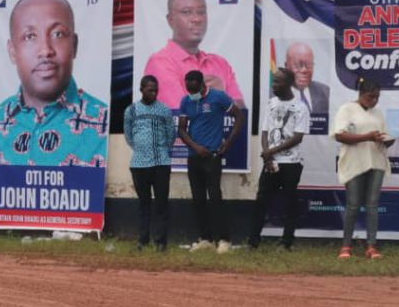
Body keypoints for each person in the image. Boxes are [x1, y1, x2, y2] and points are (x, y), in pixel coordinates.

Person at [0, 0, 109, 167]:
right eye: (30, 36)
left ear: (75, 45)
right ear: (12, 51)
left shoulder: (105, 124)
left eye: (58, 34)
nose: (45, 50)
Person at [178, 69, 244, 254]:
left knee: (215, 197)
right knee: (198, 199)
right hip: (194, 157)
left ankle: (224, 240)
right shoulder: (186, 101)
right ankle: (205, 239)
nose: (191, 93)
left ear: (202, 84)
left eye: (194, 89)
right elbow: (182, 130)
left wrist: (228, 142)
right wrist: (195, 147)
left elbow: (239, 117)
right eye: (188, 89)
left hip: (213, 157)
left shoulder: (218, 97)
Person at [144, 0, 244, 108]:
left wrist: (219, 96)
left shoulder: (220, 63)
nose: (197, 19)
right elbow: (181, 113)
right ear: (170, 20)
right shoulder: (160, 62)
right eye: (186, 12)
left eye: (201, 12)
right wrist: (218, 97)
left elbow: (242, 113)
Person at [248, 68, 309, 250]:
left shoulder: (300, 107)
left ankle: (286, 242)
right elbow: (265, 131)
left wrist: (272, 150)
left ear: (289, 83)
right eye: (273, 81)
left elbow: (297, 137)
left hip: (291, 163)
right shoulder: (271, 103)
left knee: (290, 202)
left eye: (278, 82)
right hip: (270, 162)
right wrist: (267, 153)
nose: (274, 86)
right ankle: (253, 241)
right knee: (261, 201)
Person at [333, 77, 393, 260]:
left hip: (376, 162)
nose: (373, 100)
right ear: (360, 94)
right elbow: (339, 135)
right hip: (354, 163)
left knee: (372, 205)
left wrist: (387, 140)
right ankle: (346, 246)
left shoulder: (378, 113)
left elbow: (383, 135)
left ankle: (371, 246)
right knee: (352, 205)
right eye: (370, 97)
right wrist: (366, 136)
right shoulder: (347, 109)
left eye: (377, 97)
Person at [123, 75, 176, 251]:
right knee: (143, 204)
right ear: (141, 89)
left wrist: (160, 149)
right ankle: (142, 240)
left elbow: (171, 135)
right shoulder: (131, 111)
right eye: (150, 90)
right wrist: (141, 148)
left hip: (161, 163)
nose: (153, 93)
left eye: (156, 90)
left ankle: (161, 242)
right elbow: (129, 136)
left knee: (161, 204)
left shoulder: (164, 110)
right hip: (139, 165)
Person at [280, 42, 329, 116]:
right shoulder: (273, 95)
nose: (304, 70)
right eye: (298, 65)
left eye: (309, 65)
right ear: (286, 66)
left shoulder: (325, 92)